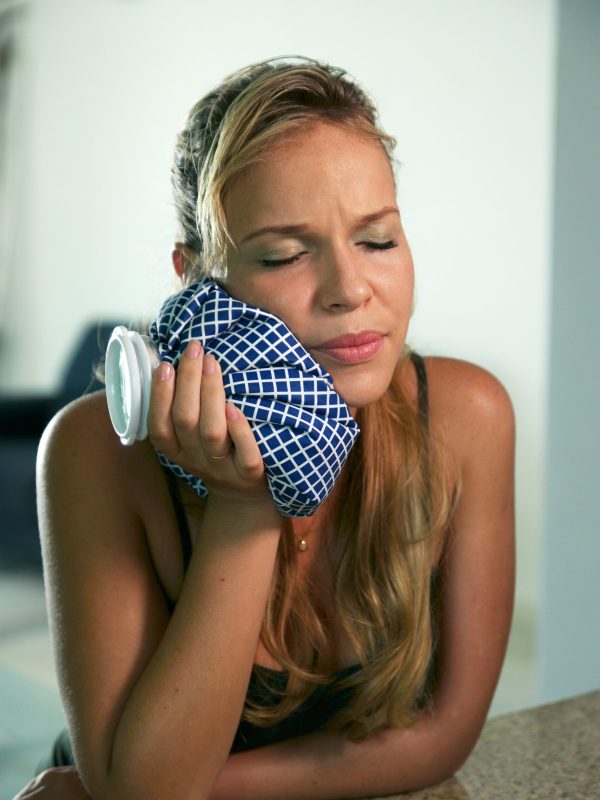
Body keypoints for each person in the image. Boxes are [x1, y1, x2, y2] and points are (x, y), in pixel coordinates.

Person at [14, 54, 515, 800]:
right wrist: (247, 505)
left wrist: (122, 790)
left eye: (377, 240)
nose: (350, 291)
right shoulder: (94, 451)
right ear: (199, 283)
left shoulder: (467, 419)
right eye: (284, 254)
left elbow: (444, 737)